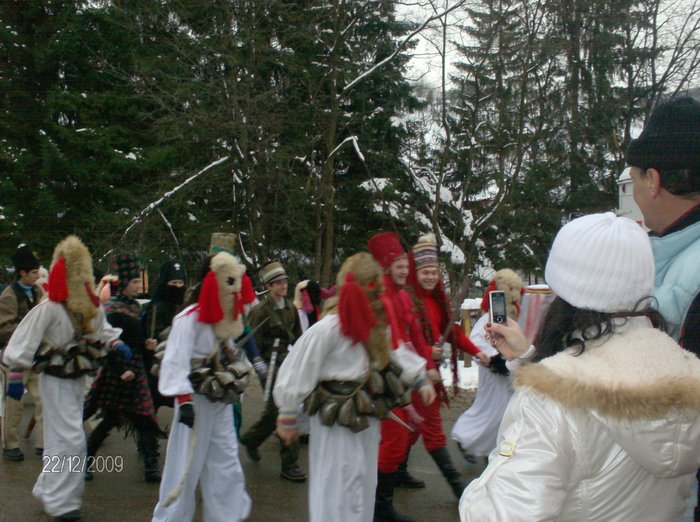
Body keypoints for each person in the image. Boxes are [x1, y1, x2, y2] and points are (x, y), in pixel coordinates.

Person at [459, 212, 700, 521]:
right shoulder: (683, 370)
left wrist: (478, 495)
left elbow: (502, 513)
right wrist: (528, 360)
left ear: (566, 291)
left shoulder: (547, 402)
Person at [273, 252, 436, 522]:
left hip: (366, 417)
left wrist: (419, 378)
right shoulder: (327, 329)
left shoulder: (375, 328)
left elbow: (396, 353)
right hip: (334, 420)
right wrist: (288, 413)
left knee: (362, 479)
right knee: (335, 482)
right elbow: (299, 367)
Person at [1, 235, 130, 522]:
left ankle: (50, 490)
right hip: (55, 379)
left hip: (77, 379)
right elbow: (22, 342)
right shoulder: (48, 308)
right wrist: (16, 377)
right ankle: (61, 503)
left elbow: (102, 330)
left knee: (65, 438)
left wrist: (116, 345)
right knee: (69, 439)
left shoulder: (89, 307)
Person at [625, 95, 700, 520]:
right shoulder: (674, 255)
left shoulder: (692, 279)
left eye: (634, 178)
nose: (634, 192)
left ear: (652, 180)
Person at [152, 251, 252, 522]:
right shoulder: (188, 318)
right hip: (194, 399)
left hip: (218, 400)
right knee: (185, 465)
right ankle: (171, 518)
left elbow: (228, 349)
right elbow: (175, 361)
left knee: (226, 461)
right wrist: (183, 401)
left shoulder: (224, 317)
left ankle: (227, 516)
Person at [403, 234, 490, 498]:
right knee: (431, 428)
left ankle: (395, 468)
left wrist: (477, 352)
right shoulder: (406, 300)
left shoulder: (437, 301)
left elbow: (451, 332)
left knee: (414, 425)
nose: (430, 277)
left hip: (428, 373)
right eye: (425, 272)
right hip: (411, 374)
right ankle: (457, 487)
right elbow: (399, 340)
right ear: (415, 272)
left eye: (434, 272)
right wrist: (426, 351)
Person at [367, 231, 434, 522]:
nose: (405, 268)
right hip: (379, 380)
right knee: (391, 439)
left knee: (397, 436)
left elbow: (411, 338)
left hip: (398, 376)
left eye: (405, 263)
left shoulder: (403, 296)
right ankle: (378, 508)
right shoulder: (380, 299)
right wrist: (420, 375)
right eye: (398, 264)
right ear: (384, 266)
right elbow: (390, 345)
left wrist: (425, 368)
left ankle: (378, 504)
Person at [83, 254, 162, 483]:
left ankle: (151, 466)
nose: (139, 285)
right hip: (116, 369)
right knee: (110, 418)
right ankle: (85, 461)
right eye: (135, 282)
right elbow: (104, 341)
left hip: (136, 368)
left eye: (139, 281)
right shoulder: (111, 309)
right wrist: (119, 369)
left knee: (146, 416)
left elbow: (137, 339)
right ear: (125, 283)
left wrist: (147, 346)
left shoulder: (136, 307)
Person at [239, 261, 305, 482]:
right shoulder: (260, 311)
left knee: (276, 412)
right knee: (287, 408)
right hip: (270, 365)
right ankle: (290, 463)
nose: (283, 286)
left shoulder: (290, 308)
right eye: (277, 283)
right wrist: (260, 368)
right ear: (269, 286)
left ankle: (251, 439)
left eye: (284, 281)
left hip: (287, 364)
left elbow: (298, 338)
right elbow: (252, 344)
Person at [451, 268, 523, 466]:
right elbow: (476, 341)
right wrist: (494, 358)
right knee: (489, 409)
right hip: (492, 373)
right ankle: (465, 437)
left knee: (504, 413)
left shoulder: (512, 319)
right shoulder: (488, 318)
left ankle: (491, 449)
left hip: (507, 373)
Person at [1, 244, 45, 461]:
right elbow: (3, 327)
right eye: (34, 272)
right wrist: (27, 335)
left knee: (44, 399)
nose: (38, 275)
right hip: (16, 360)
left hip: (36, 358)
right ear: (22, 273)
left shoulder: (38, 292)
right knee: (14, 404)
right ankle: (10, 443)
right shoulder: (9, 296)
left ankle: (44, 443)